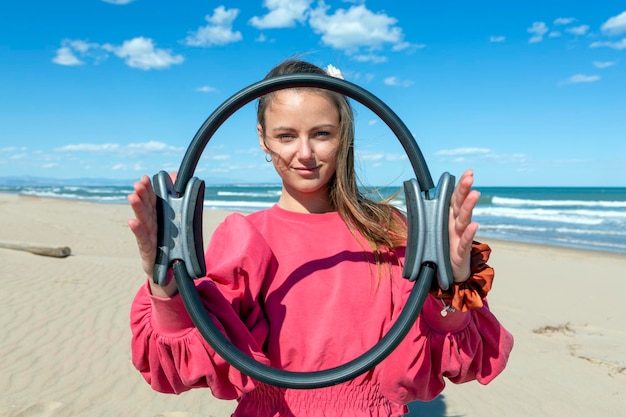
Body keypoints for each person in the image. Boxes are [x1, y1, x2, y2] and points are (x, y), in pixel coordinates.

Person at [128, 59, 514, 417]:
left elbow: (455, 356)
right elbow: (190, 361)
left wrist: (454, 283)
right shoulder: (245, 238)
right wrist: (165, 287)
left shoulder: (392, 233)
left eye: (322, 133)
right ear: (263, 139)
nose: (305, 153)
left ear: (343, 134)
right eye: (286, 135)